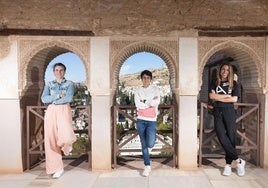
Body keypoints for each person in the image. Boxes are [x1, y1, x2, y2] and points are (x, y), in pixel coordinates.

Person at [209, 61, 245, 176]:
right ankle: (239, 161)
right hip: (217, 112)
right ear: (220, 70)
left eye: (227, 70)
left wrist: (219, 98)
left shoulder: (234, 84)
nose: (225, 72)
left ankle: (228, 165)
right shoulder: (214, 82)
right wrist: (226, 96)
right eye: (223, 69)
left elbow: (234, 99)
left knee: (231, 137)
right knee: (221, 135)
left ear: (230, 72)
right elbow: (211, 96)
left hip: (229, 112)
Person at [41, 62, 77, 178]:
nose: (59, 72)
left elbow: (69, 97)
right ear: (53, 72)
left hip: (63, 109)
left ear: (64, 71)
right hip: (51, 111)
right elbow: (44, 98)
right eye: (56, 70)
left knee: (65, 133)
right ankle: (57, 168)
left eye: (61, 70)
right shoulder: (49, 84)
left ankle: (67, 144)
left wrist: (55, 101)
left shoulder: (70, 84)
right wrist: (57, 96)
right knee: (51, 139)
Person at [134, 70, 160, 177]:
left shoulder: (156, 89)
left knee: (150, 144)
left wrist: (144, 101)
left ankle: (147, 154)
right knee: (144, 144)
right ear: (141, 79)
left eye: (148, 78)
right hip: (140, 119)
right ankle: (147, 166)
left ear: (151, 79)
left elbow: (156, 102)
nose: (146, 80)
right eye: (144, 78)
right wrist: (149, 102)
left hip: (151, 120)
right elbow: (137, 104)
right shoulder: (137, 91)